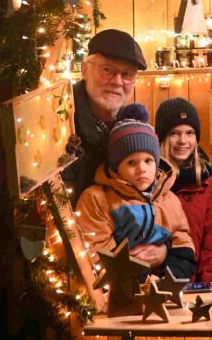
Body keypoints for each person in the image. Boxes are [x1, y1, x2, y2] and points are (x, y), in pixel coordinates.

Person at [75, 113, 196, 280]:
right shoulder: (97, 199)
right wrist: (142, 278)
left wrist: (167, 279)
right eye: (131, 162)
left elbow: (182, 243)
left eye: (148, 161)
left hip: (164, 287)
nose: (142, 169)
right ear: (116, 167)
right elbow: (96, 252)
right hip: (118, 291)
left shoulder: (169, 200)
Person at [63, 28, 147, 202]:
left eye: (127, 74)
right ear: (84, 69)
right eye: (108, 70)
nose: (117, 81)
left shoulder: (132, 127)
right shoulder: (61, 122)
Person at [154, 97, 212, 282]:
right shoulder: (148, 182)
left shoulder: (206, 183)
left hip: (194, 288)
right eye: (174, 133)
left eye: (190, 132)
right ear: (162, 137)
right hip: (153, 285)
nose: (183, 140)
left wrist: (208, 286)